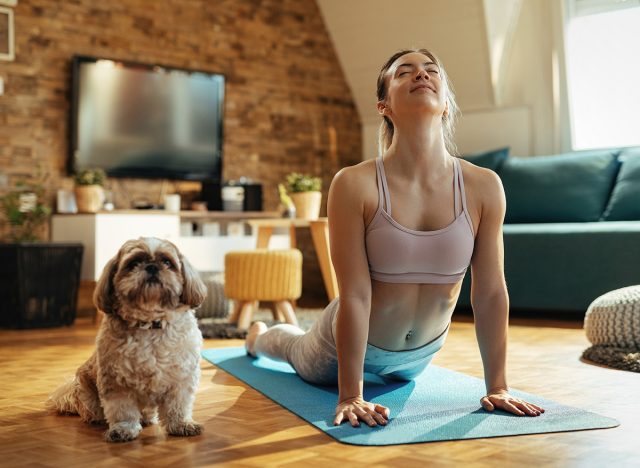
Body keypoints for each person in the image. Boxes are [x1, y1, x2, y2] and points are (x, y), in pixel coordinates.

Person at [245, 48, 545, 427]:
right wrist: (351, 394)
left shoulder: (484, 186)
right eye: (405, 72)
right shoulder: (354, 183)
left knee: (399, 370)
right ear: (383, 105)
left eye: (431, 70)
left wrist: (498, 386)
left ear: (447, 104)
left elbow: (490, 291)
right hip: (343, 346)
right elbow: (354, 293)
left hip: (418, 358)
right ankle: (258, 337)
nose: (421, 75)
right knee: (292, 349)